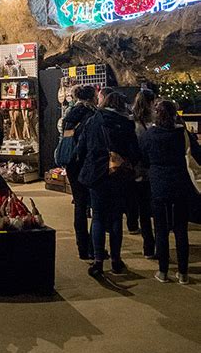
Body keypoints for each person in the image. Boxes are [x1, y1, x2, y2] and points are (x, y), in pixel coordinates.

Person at [78, 91, 140, 277]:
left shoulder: (94, 120)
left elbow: (82, 147)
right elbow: (135, 152)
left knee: (97, 217)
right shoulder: (127, 124)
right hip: (119, 176)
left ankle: (98, 260)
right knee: (115, 218)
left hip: (97, 174)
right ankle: (116, 260)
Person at [140, 99, 201, 284]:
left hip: (158, 182)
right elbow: (197, 154)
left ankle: (163, 270)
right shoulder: (182, 133)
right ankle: (183, 273)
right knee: (181, 229)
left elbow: (142, 157)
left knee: (161, 229)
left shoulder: (150, 134)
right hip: (180, 182)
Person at [62, 84, 97, 260]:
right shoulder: (93, 115)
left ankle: (82, 247)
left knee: (80, 205)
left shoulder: (70, 115)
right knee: (96, 208)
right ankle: (93, 246)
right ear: (92, 97)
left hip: (71, 164)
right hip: (87, 164)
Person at [132, 89, 156, 258]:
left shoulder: (131, 122)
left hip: (137, 169)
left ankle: (148, 246)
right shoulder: (155, 123)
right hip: (151, 169)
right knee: (151, 209)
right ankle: (153, 245)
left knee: (144, 211)